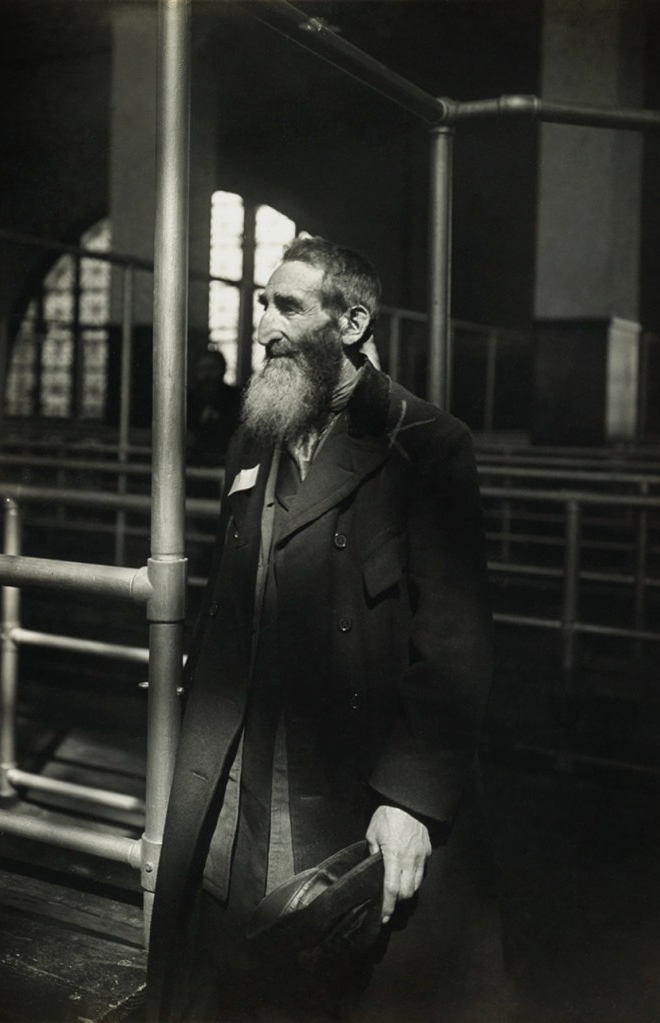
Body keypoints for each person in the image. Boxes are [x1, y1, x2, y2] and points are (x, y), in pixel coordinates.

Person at [147, 236, 505, 1022]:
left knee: (326, 965)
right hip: (243, 747)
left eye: (286, 306)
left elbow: (455, 644)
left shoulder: (425, 444)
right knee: (226, 950)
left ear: (350, 321)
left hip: (347, 768)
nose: (263, 323)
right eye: (261, 303)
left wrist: (410, 800)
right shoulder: (259, 435)